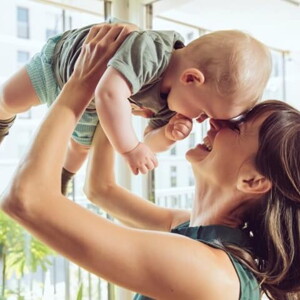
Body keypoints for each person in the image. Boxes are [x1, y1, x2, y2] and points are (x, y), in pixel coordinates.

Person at [1, 25, 300, 300]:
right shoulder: (195, 230)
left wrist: (82, 82)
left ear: (252, 181)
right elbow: (100, 189)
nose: (212, 125)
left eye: (234, 127)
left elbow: (25, 200)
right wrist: (124, 85)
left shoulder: (210, 272)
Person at [0, 21, 272, 193]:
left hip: (89, 105)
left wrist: (165, 136)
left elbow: (147, 143)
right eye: (204, 112)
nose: (199, 120)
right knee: (9, 99)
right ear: (191, 78)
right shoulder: (151, 52)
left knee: (81, 147)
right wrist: (129, 149)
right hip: (60, 67)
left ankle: (61, 178)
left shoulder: (174, 101)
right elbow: (109, 93)